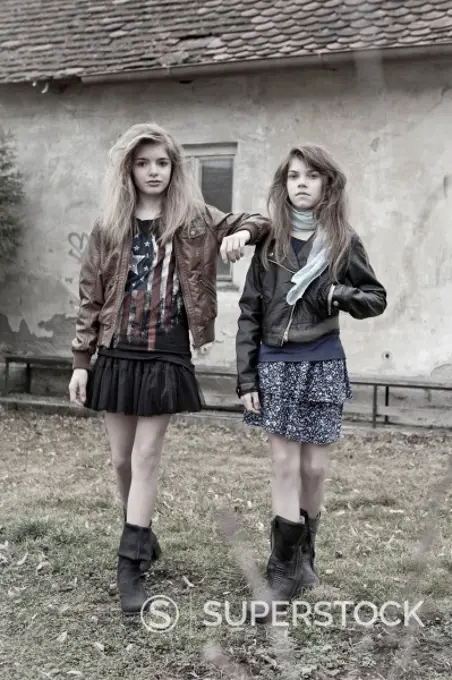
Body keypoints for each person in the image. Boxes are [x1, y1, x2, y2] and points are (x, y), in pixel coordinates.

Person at [68, 122, 269, 614]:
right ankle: (142, 534)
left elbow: (261, 221)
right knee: (121, 461)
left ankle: (129, 566)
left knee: (146, 457)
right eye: (143, 163)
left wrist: (240, 233)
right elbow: (91, 296)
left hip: (167, 350)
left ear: (173, 167)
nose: (153, 171)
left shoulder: (196, 217)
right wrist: (81, 361)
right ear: (129, 169)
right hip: (117, 350)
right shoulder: (109, 224)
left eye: (162, 162)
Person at [235, 144, 387, 618]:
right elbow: (249, 314)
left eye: (312, 175)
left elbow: (375, 297)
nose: (301, 182)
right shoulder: (270, 243)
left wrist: (338, 293)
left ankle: (305, 556)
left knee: (314, 469)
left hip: (323, 361)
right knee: (284, 463)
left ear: (327, 186)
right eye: (293, 175)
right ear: (284, 185)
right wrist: (246, 379)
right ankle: (281, 570)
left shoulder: (343, 241)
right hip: (275, 363)